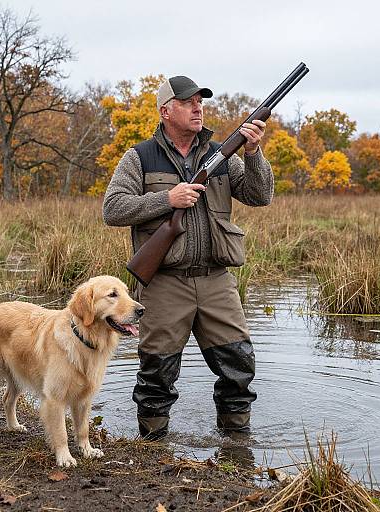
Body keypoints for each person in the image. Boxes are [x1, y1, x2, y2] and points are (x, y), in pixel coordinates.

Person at [102, 75, 273, 440]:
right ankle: (151, 448)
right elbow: (113, 209)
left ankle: (236, 447)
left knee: (239, 365)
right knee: (156, 374)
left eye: (200, 101)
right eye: (188, 102)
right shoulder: (140, 157)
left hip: (216, 280)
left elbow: (260, 195)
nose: (198, 107)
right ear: (166, 111)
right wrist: (167, 200)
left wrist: (253, 153)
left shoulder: (220, 156)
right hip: (165, 283)